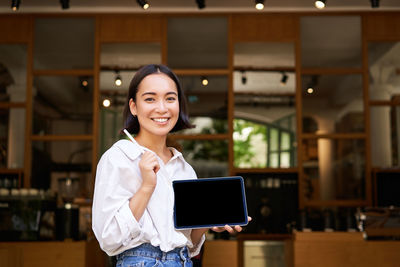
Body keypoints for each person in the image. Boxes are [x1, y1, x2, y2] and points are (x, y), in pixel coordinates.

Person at [92, 64, 248, 267]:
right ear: (133, 106)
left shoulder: (184, 168)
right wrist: (147, 186)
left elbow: (190, 244)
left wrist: (209, 222)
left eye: (170, 98)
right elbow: (108, 239)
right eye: (150, 98)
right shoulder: (118, 158)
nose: (162, 108)